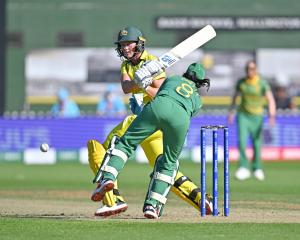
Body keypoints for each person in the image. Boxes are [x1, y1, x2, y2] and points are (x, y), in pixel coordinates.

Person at [87, 26, 211, 217]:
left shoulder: (153, 62)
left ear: (139, 43)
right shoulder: (126, 65)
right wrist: (139, 82)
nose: (125, 47)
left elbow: (162, 94)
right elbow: (126, 87)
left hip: (148, 116)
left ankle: (112, 199)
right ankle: (201, 199)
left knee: (103, 147)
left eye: (129, 43)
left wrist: (145, 84)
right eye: (122, 44)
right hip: (155, 122)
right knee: (164, 165)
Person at [228, 60, 276, 181]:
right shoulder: (241, 82)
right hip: (243, 116)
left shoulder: (262, 83)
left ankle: (257, 168)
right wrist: (232, 112)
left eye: (253, 68)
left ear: (256, 70)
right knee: (242, 142)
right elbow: (235, 97)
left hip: (257, 116)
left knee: (257, 143)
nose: (250, 71)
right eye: (248, 69)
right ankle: (243, 168)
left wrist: (271, 116)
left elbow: (270, 100)